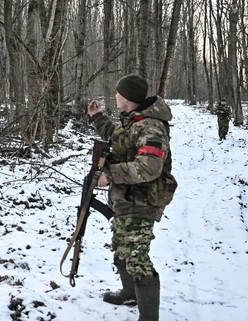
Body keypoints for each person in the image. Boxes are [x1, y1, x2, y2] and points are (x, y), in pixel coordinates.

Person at [87, 74, 176, 321]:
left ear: (127, 97)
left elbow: (149, 167)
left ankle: (149, 317)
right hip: (126, 198)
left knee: (138, 258)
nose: (115, 96)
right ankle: (130, 294)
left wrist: (110, 174)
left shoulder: (150, 127)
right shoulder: (134, 120)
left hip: (142, 200)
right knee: (122, 247)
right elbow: (118, 138)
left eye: (118, 92)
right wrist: (97, 117)